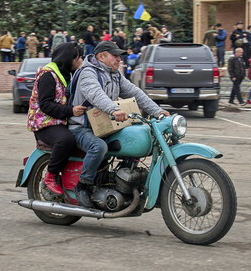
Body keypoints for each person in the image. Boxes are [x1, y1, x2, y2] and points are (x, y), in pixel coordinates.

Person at [68, 41, 169, 207]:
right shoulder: (88, 73)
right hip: (81, 128)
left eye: (119, 55)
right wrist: (113, 109)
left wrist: (157, 111)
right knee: (98, 147)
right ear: (101, 56)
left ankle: (123, 181)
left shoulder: (114, 74)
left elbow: (136, 93)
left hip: (103, 127)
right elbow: (96, 94)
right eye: (115, 55)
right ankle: (83, 185)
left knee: (136, 138)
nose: (119, 59)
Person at [27, 42, 87, 195]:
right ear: (68, 59)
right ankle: (50, 177)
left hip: (60, 121)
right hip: (44, 123)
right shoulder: (48, 75)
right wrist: (71, 111)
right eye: (79, 58)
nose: (81, 61)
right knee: (66, 140)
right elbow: (45, 105)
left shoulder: (67, 74)